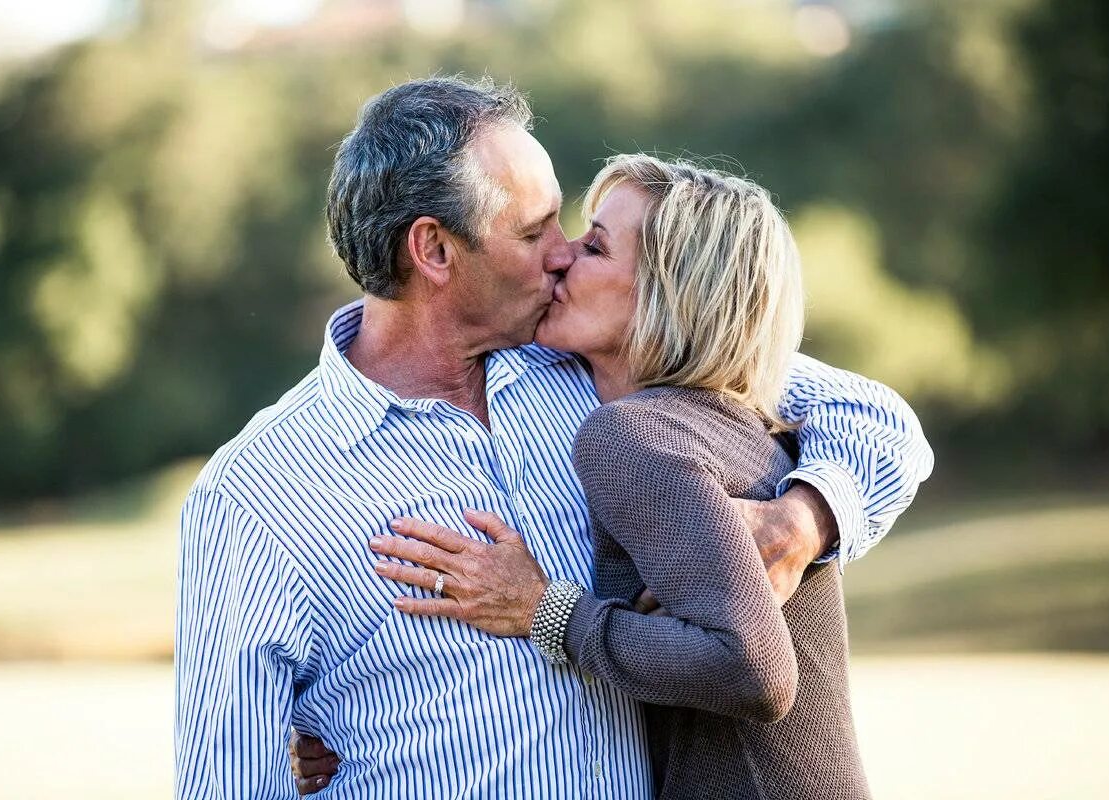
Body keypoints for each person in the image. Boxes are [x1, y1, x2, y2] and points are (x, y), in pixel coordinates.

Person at [176, 76, 933, 800]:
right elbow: (229, 775)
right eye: (535, 231)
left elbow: (874, 419)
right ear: (434, 251)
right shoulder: (254, 497)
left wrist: (800, 522)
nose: (565, 251)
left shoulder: (601, 364)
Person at [345, 154, 874, 798]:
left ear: (667, 290)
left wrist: (545, 610)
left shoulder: (632, 437)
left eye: (594, 246)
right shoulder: (736, 423)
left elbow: (753, 670)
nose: (563, 258)